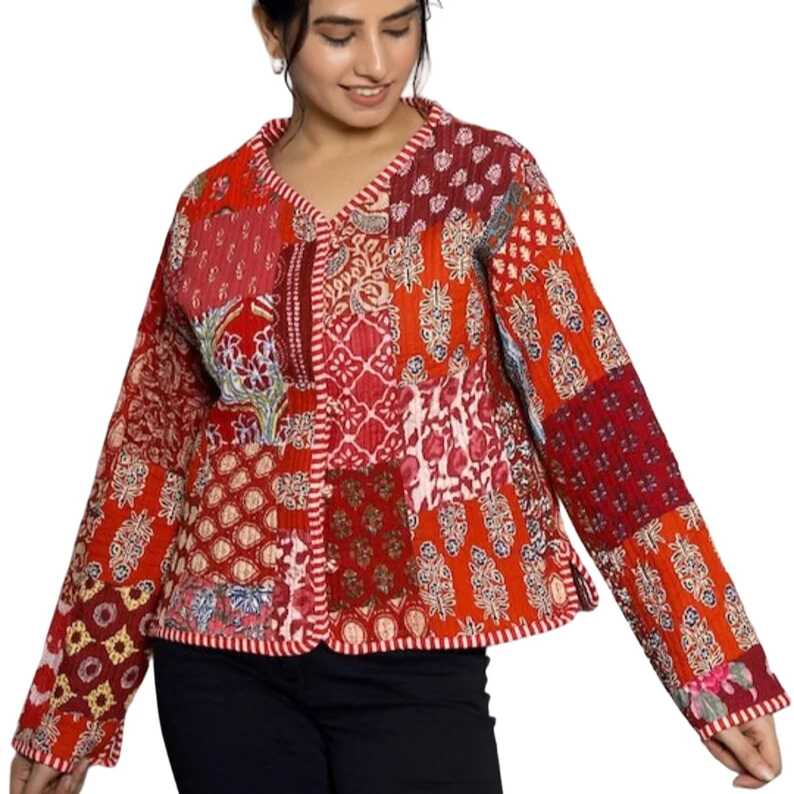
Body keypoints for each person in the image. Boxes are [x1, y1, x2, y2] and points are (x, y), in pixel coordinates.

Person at [8, 1, 790, 792]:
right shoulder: (212, 205)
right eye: (338, 34)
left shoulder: (484, 180)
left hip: (416, 647)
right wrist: (69, 711)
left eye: (399, 26)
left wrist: (712, 665)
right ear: (272, 29)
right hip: (217, 656)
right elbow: (146, 461)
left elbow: (591, 414)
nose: (377, 63)